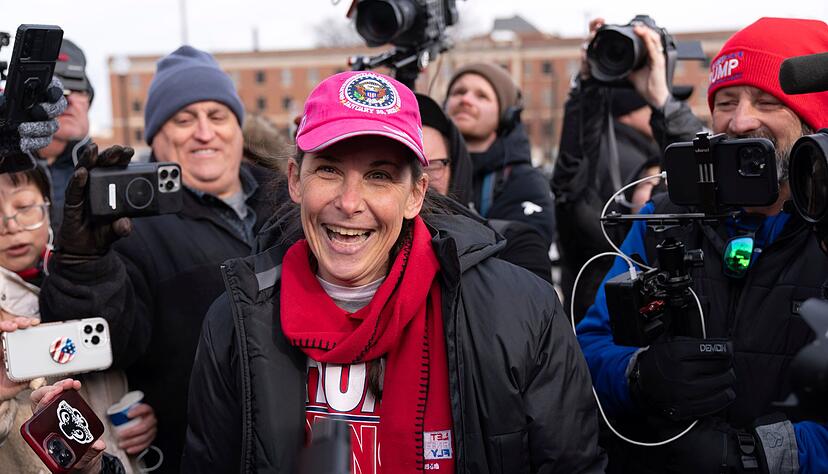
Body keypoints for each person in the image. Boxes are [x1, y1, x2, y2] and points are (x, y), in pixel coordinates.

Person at [182, 71, 605, 473]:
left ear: (415, 195)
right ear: (295, 180)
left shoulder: (520, 313)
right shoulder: (234, 320)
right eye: (328, 169)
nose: (349, 202)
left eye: (379, 176)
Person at [577, 17, 828, 473]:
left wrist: (758, 456)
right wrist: (639, 375)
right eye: (726, 102)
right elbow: (589, 348)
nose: (739, 121)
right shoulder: (665, 217)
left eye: (768, 102)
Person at [37, 45, 284, 472]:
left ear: (239, 128)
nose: (204, 133)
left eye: (218, 116)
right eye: (184, 120)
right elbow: (103, 343)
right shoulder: (131, 227)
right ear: (155, 136)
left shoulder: (288, 203)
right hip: (197, 455)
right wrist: (84, 266)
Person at [0, 166, 156, 473]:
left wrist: (145, 414)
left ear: (48, 206)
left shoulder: (88, 274)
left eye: (25, 207)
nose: (10, 224)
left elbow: (124, 363)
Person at [552, 18, 704, 322]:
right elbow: (572, 187)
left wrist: (664, 103)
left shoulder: (650, 152)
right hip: (601, 331)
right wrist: (588, 88)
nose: (656, 198)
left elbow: (707, 183)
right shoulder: (612, 167)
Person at [418, 92, 553, 283]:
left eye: (432, 166)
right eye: (405, 167)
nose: (419, 179)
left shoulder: (512, 244)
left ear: (456, 171)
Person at [444, 63, 556, 247]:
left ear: (506, 116)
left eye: (482, 96)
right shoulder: (422, 169)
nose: (465, 99)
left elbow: (524, 258)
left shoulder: (525, 181)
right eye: (458, 92)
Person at [34, 39, 96, 229]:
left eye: (78, 89)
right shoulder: (7, 166)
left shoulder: (104, 171)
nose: (68, 100)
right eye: (56, 90)